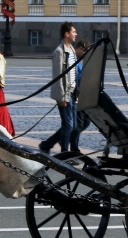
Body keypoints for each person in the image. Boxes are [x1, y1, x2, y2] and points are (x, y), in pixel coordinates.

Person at [39, 22, 77, 154]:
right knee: (68, 125)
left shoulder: (71, 49)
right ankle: (65, 154)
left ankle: (47, 144)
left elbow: (73, 73)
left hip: (71, 92)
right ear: (67, 34)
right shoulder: (59, 52)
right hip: (64, 93)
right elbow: (58, 76)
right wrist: (62, 97)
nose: (75, 34)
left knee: (72, 125)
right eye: (73, 32)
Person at [70, 39, 92, 153]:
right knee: (78, 125)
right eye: (85, 53)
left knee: (86, 122)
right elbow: (72, 79)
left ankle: (69, 136)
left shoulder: (78, 61)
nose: (85, 56)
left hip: (83, 95)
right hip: (76, 96)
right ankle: (74, 150)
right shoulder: (72, 59)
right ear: (79, 48)